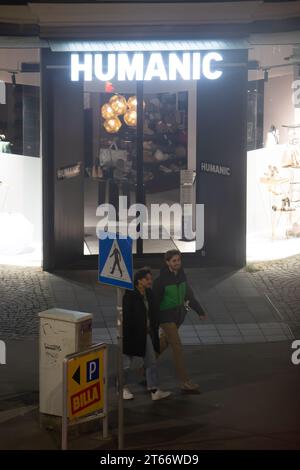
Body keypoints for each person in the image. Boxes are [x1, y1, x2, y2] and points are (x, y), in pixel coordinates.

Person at [153, 250, 207, 393]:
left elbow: (189, 295)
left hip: (178, 316)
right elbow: (154, 303)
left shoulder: (182, 277)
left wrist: (200, 311)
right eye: (174, 261)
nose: (177, 263)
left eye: (178, 260)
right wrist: (153, 321)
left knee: (164, 343)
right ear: (167, 263)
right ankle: (184, 381)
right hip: (165, 317)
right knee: (177, 346)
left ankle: (145, 367)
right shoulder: (160, 281)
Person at [122, 267, 171, 401]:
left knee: (151, 361)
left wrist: (157, 327)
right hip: (132, 334)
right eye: (147, 279)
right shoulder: (130, 296)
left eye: (150, 279)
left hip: (146, 333)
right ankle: (122, 387)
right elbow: (127, 317)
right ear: (139, 281)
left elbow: (154, 313)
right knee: (126, 364)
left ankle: (154, 390)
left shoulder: (149, 294)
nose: (150, 281)